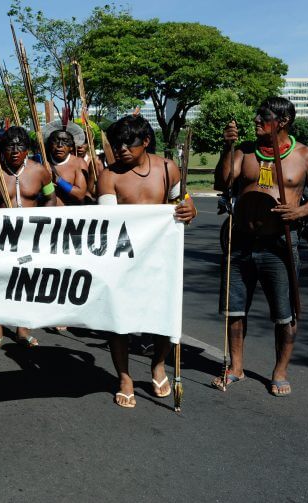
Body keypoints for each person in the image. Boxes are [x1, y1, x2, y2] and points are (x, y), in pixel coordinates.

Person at [212, 97, 308, 396]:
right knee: (234, 309)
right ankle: (236, 366)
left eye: (263, 117)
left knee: (285, 312)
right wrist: (228, 148)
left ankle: (279, 371)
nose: (256, 121)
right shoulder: (245, 152)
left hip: (280, 244)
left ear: (283, 121)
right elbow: (221, 182)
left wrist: (299, 212)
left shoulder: (305, 156)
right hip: (240, 241)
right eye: (257, 116)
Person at [97, 115, 196, 408]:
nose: (123, 149)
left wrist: (189, 209)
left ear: (146, 142)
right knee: (118, 322)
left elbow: (184, 202)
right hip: (122, 260)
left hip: (160, 257)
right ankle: (125, 378)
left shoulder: (168, 169)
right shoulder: (109, 175)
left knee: (163, 318)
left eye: (130, 142)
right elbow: (108, 223)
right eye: (117, 144)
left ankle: (158, 365)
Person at [0, 126, 57, 350]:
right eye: (9, 146)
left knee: (26, 283)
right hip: (1, 237)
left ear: (27, 150)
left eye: (19, 146)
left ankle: (23, 330)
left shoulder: (39, 171)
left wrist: (43, 220)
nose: (14, 150)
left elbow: (51, 197)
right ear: (2, 149)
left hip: (29, 238)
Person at [45, 128, 88, 205]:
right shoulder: (42, 162)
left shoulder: (79, 163)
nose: (60, 145)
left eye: (65, 142)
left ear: (71, 147)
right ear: (49, 144)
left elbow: (80, 195)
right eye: (56, 141)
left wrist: (58, 180)